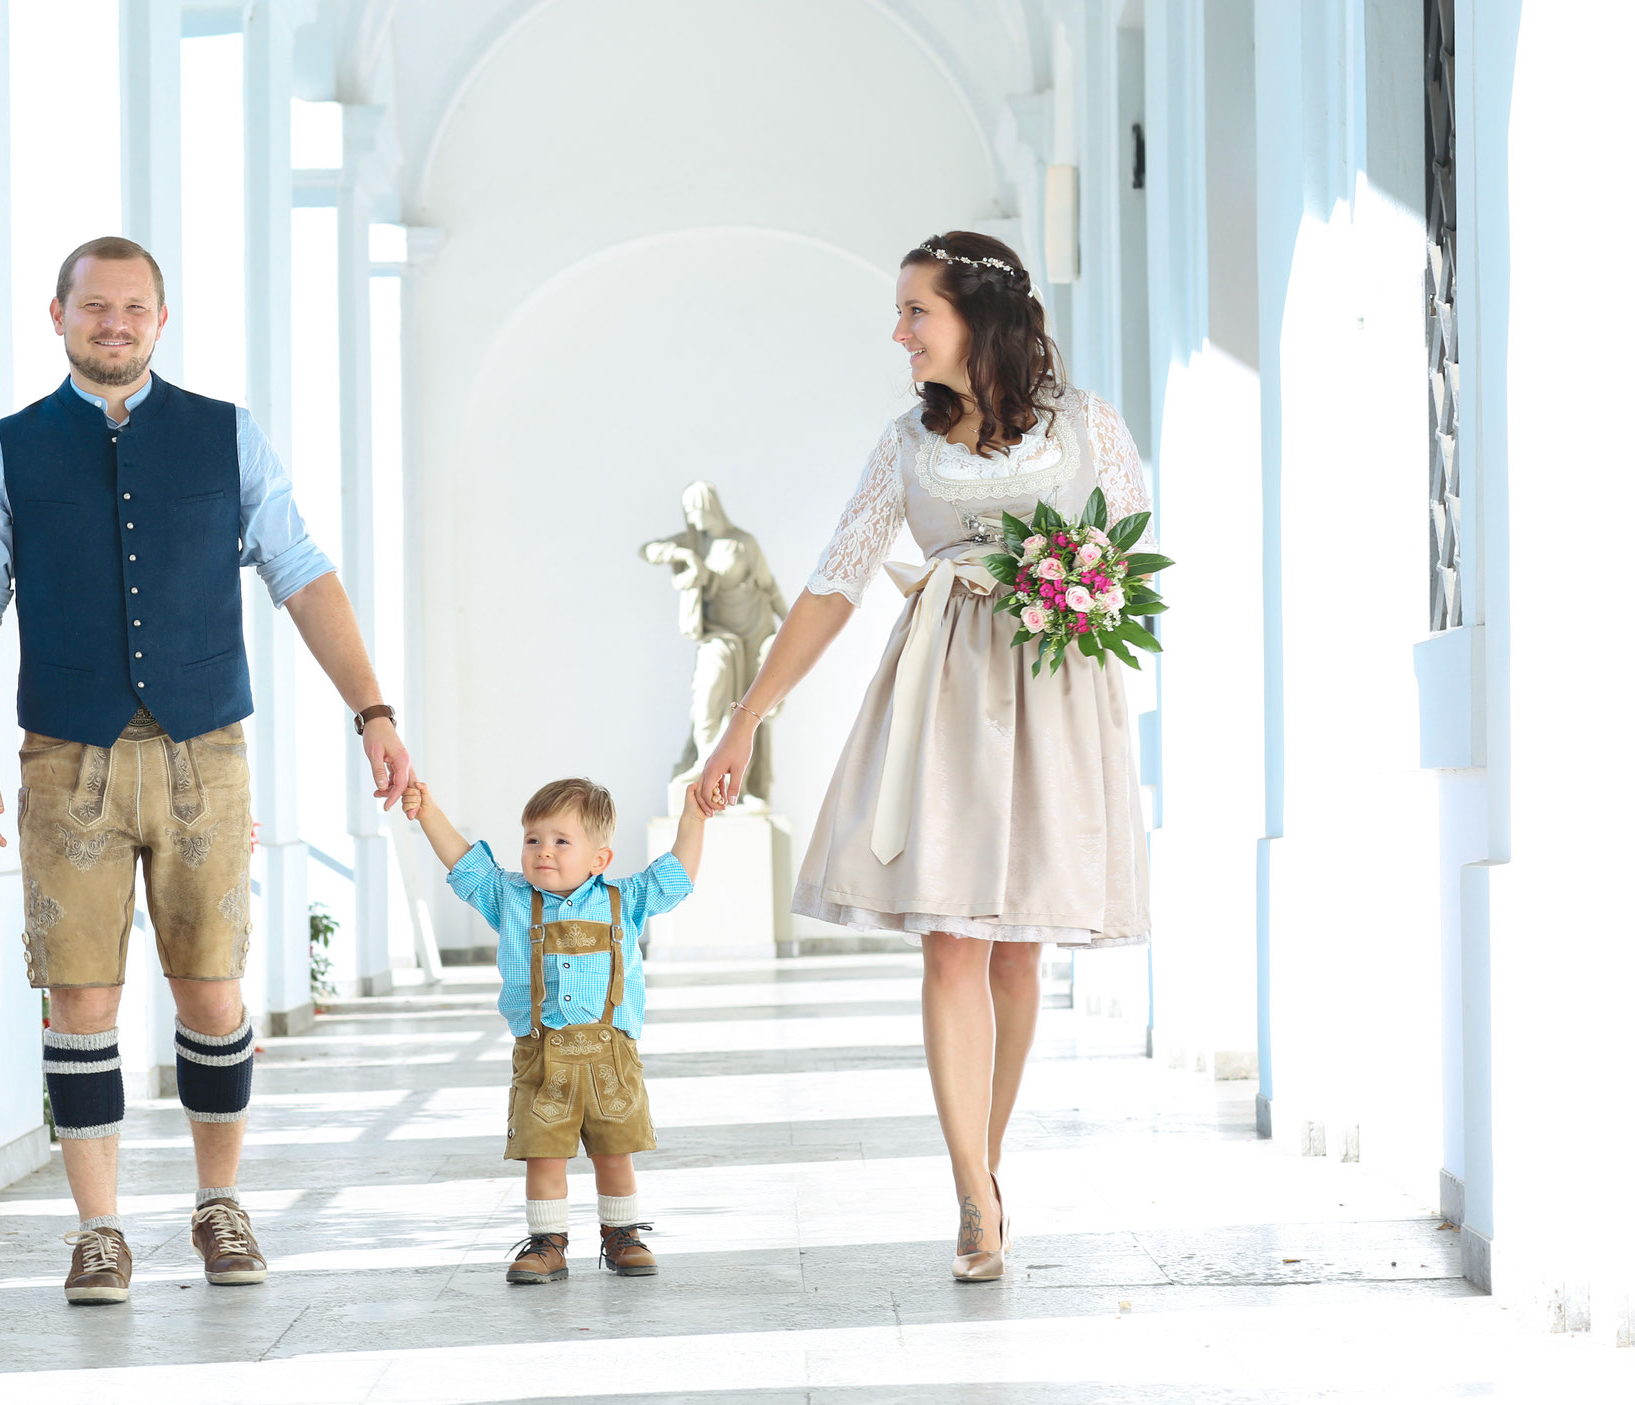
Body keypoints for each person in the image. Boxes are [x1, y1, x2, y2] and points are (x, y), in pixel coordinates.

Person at [0, 235, 413, 1305]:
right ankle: (98, 1230)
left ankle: (219, 1205)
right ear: (55, 315)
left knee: (210, 988)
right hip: (67, 761)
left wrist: (372, 711)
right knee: (79, 1000)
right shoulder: (2, 449)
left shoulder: (224, 436)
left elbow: (300, 571)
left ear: (162, 318)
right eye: (93, 306)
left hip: (206, 752)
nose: (114, 323)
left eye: (134, 307)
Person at [698, 230, 1151, 1282]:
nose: (897, 333)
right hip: (942, 690)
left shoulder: (1088, 427)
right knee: (949, 940)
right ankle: (970, 1197)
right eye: (900, 313)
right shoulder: (904, 444)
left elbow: (1125, 556)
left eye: (915, 312)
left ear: (974, 321)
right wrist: (746, 717)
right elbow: (830, 583)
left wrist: (1071, 580)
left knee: (1017, 949)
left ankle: (983, 1171)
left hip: (1054, 690)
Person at [400, 776, 711, 1282]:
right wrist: (428, 811)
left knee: (615, 1152)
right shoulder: (509, 897)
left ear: (599, 859)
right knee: (543, 1156)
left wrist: (693, 817)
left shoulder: (624, 899)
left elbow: (675, 876)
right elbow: (463, 863)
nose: (543, 851)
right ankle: (548, 1244)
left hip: (613, 1058)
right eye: (532, 839)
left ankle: (622, 1234)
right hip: (541, 1056)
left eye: (561, 841)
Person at [640, 481, 791, 806]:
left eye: (696, 511)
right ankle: (706, 767)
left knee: (756, 710)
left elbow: (769, 587)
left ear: (710, 506)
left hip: (754, 630)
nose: (693, 520)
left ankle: (745, 790)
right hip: (720, 636)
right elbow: (648, 550)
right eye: (687, 513)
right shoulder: (695, 543)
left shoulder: (743, 543)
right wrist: (682, 554)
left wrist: (791, 626)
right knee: (712, 696)